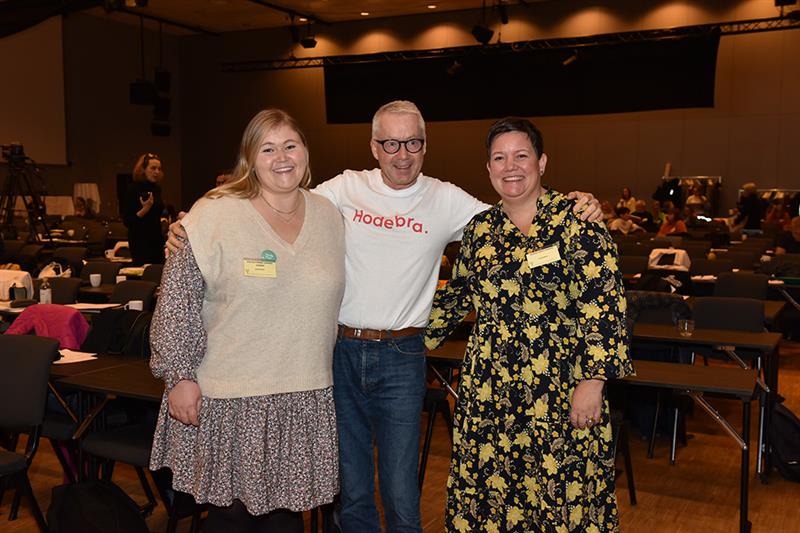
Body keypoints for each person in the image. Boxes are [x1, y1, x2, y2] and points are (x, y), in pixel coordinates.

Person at [168, 100, 603, 533]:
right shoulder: (340, 191)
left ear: (425, 145)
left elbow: (515, 210)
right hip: (335, 354)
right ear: (374, 147)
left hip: (402, 353)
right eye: (390, 143)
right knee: (352, 487)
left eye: (412, 142)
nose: (402, 153)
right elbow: (272, 199)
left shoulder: (447, 199)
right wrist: (194, 224)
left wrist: (574, 203)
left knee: (399, 488)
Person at [425, 117, 632, 531]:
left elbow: (604, 303)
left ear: (542, 162)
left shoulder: (576, 221)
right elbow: (455, 298)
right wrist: (398, 331)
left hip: (561, 387)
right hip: (490, 393)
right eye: (499, 158)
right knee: (492, 499)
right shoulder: (480, 231)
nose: (510, 166)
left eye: (521, 155)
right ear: (488, 169)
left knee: (561, 496)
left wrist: (593, 381)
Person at [149, 109, 345, 532]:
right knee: (231, 516)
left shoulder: (330, 216)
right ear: (250, 159)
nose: (281, 157)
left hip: (304, 395)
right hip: (234, 396)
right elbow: (177, 302)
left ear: (306, 152)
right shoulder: (214, 212)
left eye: (290, 145)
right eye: (267, 149)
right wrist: (179, 375)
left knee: (287, 517)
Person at [123, 153, 166, 265]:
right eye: (153, 168)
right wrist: (145, 209)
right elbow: (128, 221)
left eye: (159, 169)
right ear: (143, 169)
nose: (157, 172)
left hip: (156, 239)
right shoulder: (132, 189)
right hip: (140, 240)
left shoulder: (157, 189)